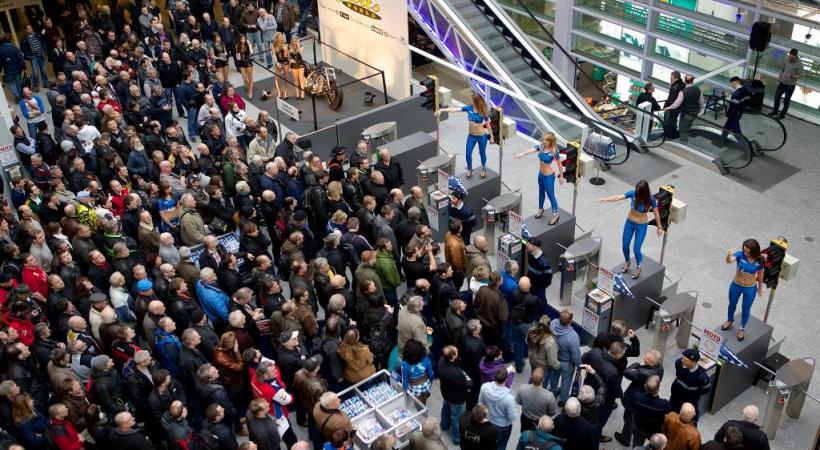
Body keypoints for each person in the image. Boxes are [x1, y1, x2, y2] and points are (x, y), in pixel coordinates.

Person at [598, 179, 663, 279]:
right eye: (636, 189)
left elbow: (656, 213)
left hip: (641, 226)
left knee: (636, 249)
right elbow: (618, 197)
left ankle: (639, 267)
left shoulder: (650, 199)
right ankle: (627, 261)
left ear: (644, 191)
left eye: (639, 191)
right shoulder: (633, 194)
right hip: (629, 223)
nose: (637, 192)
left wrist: (659, 227)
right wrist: (605, 199)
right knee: (625, 246)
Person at [435, 92, 494, 179]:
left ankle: (483, 168)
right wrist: (442, 110)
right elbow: (454, 110)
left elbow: (488, 125)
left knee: (482, 153)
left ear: (476, 101)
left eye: (472, 100)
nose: (470, 101)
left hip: (482, 136)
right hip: (471, 136)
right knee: (468, 154)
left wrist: (491, 137)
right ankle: (470, 169)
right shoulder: (468, 108)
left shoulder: (483, 111)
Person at [514, 132, 565, 224]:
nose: (543, 141)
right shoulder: (541, 146)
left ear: (550, 142)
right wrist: (523, 154)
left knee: (551, 196)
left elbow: (559, 164)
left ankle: (555, 215)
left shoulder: (553, 151)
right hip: (541, 174)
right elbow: (532, 150)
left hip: (549, 176)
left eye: (546, 140)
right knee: (541, 192)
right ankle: (540, 209)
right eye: (543, 139)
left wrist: (561, 176)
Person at [723, 239, 765, 341]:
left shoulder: (759, 261)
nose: (745, 253)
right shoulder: (740, 254)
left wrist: (760, 287)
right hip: (736, 285)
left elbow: (760, 275)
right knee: (732, 303)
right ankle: (729, 320)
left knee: (746, 309)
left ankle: (742, 328)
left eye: (747, 251)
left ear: (753, 250)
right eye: (744, 250)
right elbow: (729, 261)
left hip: (750, 288)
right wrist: (728, 255)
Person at [437, 345, 471, 445]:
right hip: (457, 399)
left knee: (445, 409)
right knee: (456, 418)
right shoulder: (456, 374)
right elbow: (466, 385)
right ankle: (457, 439)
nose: (458, 351)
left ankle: (443, 425)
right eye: (456, 352)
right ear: (453, 356)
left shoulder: (441, 361)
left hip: (446, 393)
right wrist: (469, 380)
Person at [478, 368, 517, 450]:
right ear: (506, 380)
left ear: (494, 377)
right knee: (501, 445)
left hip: (488, 422)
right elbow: (512, 417)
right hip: (503, 426)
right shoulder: (509, 398)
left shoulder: (484, 387)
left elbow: (480, 404)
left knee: (489, 443)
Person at [630, 375, 671, 448]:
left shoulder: (637, 397)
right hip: (653, 431)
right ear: (658, 388)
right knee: (655, 446)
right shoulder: (664, 404)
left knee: (637, 444)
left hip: (638, 427)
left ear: (645, 386)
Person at [670, 349, 711, 421]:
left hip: (689, 403)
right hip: (674, 398)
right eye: (683, 358)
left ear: (694, 362)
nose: (682, 360)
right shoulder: (679, 363)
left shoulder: (701, 377)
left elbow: (706, 390)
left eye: (685, 360)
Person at [551, 308, 581, 402]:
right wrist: (579, 366)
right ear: (570, 321)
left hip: (554, 358)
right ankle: (563, 400)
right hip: (567, 363)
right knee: (566, 381)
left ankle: (552, 392)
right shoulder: (573, 336)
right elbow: (575, 355)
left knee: (554, 376)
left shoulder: (553, 324)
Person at [662, 74, 703, 142]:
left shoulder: (683, 92)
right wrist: (700, 110)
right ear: (693, 80)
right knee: (688, 125)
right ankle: (685, 137)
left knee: (683, 129)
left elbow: (676, 104)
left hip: (686, 113)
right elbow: (701, 101)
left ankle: (684, 143)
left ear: (685, 81)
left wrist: (668, 108)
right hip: (695, 112)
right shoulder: (698, 89)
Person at [515, 367, 557, 432]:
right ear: (543, 379)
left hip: (525, 418)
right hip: (540, 423)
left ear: (531, 377)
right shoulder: (549, 396)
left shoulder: (522, 388)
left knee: (524, 434)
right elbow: (552, 413)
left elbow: (519, 402)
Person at [768, 48, 803, 119]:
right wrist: (779, 79)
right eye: (790, 56)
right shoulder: (786, 60)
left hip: (790, 85)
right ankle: (775, 111)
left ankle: (782, 115)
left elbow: (799, 75)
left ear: (796, 56)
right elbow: (782, 70)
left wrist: (793, 76)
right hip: (782, 82)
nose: (790, 58)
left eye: (792, 57)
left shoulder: (800, 64)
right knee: (776, 97)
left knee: (786, 100)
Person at [715, 77, 750, 146]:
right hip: (739, 112)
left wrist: (728, 113)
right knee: (727, 127)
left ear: (736, 82)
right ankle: (721, 142)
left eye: (731, 83)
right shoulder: (745, 90)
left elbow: (733, 105)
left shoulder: (737, 92)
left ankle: (746, 145)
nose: (731, 85)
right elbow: (747, 99)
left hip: (734, 114)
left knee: (736, 130)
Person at [401, 339, 434, 405]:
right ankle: (425, 397)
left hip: (414, 388)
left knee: (418, 403)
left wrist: (404, 390)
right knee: (425, 395)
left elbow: (405, 380)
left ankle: (421, 405)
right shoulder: (426, 359)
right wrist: (430, 382)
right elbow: (430, 374)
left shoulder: (405, 364)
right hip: (426, 385)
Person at [236, 35, 254, 99]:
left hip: (248, 62)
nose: (243, 40)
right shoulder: (238, 46)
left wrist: (249, 44)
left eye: (244, 39)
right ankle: (248, 89)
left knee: (250, 78)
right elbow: (237, 56)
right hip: (241, 63)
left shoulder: (248, 44)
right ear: (239, 40)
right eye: (241, 39)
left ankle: (250, 92)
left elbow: (251, 52)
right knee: (244, 79)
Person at [288, 36, 306, 101]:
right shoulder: (289, 47)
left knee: (301, 79)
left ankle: (302, 94)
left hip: (300, 63)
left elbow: (300, 53)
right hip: (293, 65)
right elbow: (288, 57)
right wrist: (290, 61)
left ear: (298, 40)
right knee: (295, 80)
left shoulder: (301, 46)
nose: (295, 42)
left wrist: (298, 45)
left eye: (296, 41)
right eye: (294, 41)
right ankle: (297, 94)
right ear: (292, 41)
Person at [273, 33, 290, 99]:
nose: (281, 38)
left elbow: (286, 55)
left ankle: (286, 92)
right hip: (278, 62)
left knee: (286, 78)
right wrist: (277, 63)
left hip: (285, 62)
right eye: (279, 37)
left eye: (281, 37)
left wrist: (285, 49)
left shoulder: (285, 44)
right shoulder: (274, 45)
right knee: (277, 78)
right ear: (276, 38)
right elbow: (274, 55)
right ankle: (279, 91)